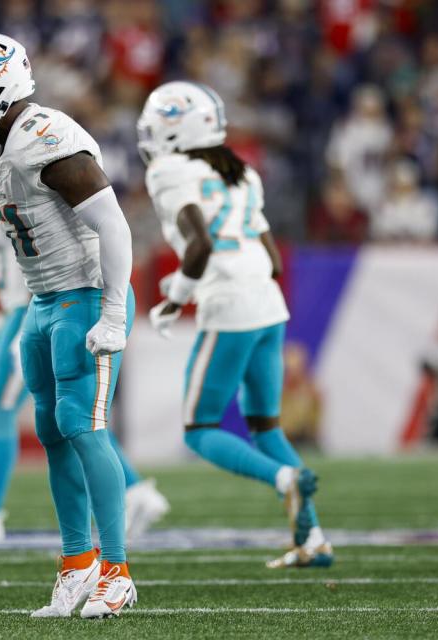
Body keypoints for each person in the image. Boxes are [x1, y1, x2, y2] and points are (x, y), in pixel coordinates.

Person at [0, 33, 139, 619]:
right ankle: (77, 563)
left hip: (80, 297)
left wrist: (114, 312)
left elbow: (115, 226)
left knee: (82, 423)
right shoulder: (5, 144)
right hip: (40, 303)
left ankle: (117, 570)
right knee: (52, 430)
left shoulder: (47, 138)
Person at [139, 81, 333, 569]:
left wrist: (175, 299)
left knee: (199, 427)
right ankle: (313, 539)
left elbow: (200, 244)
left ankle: (284, 481)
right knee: (266, 426)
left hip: (230, 304)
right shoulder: (241, 170)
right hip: (268, 302)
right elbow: (271, 256)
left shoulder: (169, 169)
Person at [0, 202, 169, 543]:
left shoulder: (14, 172)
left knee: (11, 407)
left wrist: (19, 322)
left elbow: (42, 252)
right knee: (71, 413)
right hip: (18, 310)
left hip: (39, 306)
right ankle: (135, 490)